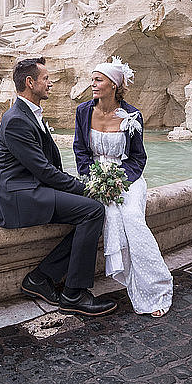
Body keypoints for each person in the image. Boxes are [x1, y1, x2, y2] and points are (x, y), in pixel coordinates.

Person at [0, 57, 117, 317]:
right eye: (45, 79)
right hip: (19, 195)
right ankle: (73, 294)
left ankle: (41, 277)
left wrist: (79, 186)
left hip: (33, 188)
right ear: (30, 82)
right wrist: (86, 188)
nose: (50, 83)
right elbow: (44, 171)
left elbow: (48, 169)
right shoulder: (15, 120)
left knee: (91, 210)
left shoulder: (29, 114)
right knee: (92, 210)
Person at [73, 57, 174, 317]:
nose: (93, 84)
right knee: (110, 215)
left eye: (98, 80)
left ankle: (156, 288)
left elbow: (139, 157)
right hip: (96, 179)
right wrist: (93, 179)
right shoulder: (83, 111)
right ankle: (128, 280)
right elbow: (81, 151)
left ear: (114, 85)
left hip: (127, 178)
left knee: (130, 217)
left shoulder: (133, 116)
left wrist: (120, 181)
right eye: (93, 79)